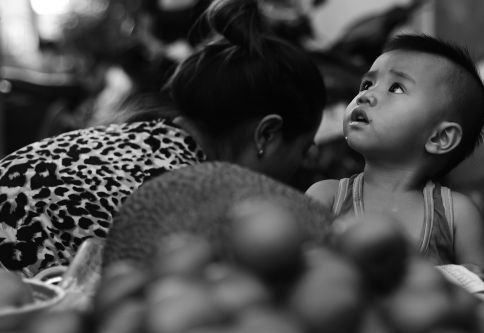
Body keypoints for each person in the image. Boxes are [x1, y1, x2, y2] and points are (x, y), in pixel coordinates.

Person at [0, 0, 326, 276]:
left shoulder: (139, 140)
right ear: (266, 134)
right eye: (304, 149)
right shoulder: (183, 195)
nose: (304, 163)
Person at [306, 34, 484, 292]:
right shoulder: (326, 197)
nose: (365, 96)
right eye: (366, 85)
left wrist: (473, 279)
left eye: (396, 88)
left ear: (440, 137)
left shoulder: (457, 214)